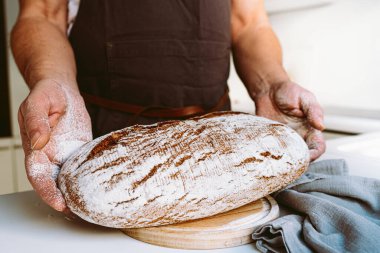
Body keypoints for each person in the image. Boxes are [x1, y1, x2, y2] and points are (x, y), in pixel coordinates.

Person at [11, 0, 326, 213]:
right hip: (102, 144)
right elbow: (41, 14)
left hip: (215, 143)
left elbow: (249, 24)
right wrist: (56, 82)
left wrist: (271, 84)